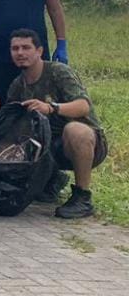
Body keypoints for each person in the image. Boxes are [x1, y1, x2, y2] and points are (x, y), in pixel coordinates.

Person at [6, 29, 106, 219]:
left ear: (39, 51)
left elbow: (83, 106)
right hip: (47, 145)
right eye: (15, 48)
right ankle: (50, 179)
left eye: (26, 47)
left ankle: (82, 196)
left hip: (86, 142)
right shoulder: (17, 85)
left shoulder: (58, 72)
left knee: (74, 130)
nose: (20, 53)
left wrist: (52, 108)